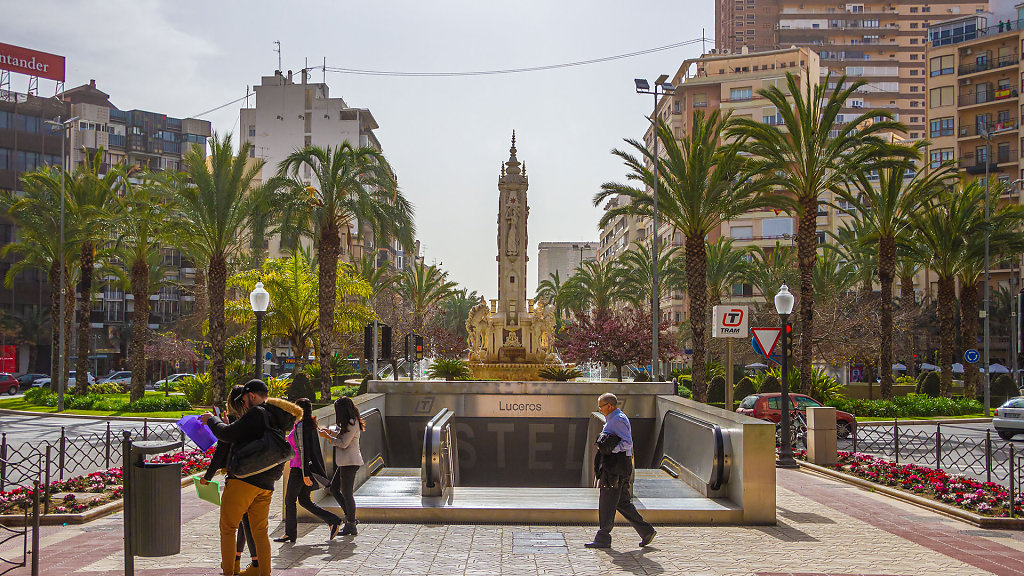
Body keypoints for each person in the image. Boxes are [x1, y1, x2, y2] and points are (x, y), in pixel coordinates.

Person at [200, 380, 301, 576]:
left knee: (228, 528)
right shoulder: (276, 416)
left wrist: (212, 420)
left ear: (251, 396)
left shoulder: (257, 413)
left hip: (243, 480)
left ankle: (229, 572)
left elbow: (226, 434)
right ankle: (264, 573)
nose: (244, 404)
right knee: (260, 532)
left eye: (244, 400)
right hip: (266, 484)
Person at [585, 392, 656, 549]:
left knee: (607, 500)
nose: (600, 409)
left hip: (615, 467)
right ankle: (646, 531)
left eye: (601, 406)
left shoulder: (617, 420)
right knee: (622, 502)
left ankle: (603, 537)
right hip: (619, 467)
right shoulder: (615, 418)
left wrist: (611, 450)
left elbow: (627, 443)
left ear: (610, 406)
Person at [201, 385, 260, 575]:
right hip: (258, 476)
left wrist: (208, 476)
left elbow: (221, 450)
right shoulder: (254, 418)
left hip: (238, 477)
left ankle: (248, 565)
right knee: (246, 522)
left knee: (234, 525)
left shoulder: (233, 423)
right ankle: (240, 561)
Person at [275, 398, 343, 542]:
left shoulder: (302, 426)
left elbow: (305, 451)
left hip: (299, 469)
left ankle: (290, 533)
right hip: (301, 468)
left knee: (290, 500)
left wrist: (305, 474)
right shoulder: (306, 425)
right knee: (304, 500)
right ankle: (333, 520)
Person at [318, 396, 364, 536]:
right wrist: (331, 433)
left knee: (347, 493)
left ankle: (351, 524)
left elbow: (344, 443)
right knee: (334, 488)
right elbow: (343, 436)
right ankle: (351, 518)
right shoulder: (348, 422)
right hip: (345, 462)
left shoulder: (352, 422)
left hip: (350, 462)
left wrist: (328, 438)